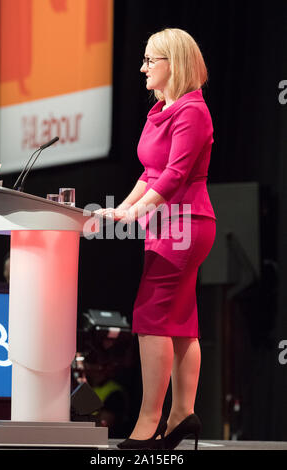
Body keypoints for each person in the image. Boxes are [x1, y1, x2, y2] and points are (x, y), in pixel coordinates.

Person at [95, 28, 216, 450]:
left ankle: (150, 422)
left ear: (173, 64)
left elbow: (175, 175)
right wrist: (121, 209)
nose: (143, 67)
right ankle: (183, 416)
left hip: (185, 222)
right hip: (165, 224)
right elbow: (149, 174)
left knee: (150, 317)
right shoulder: (160, 111)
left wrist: (132, 212)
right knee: (179, 322)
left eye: (151, 60)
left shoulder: (192, 111)